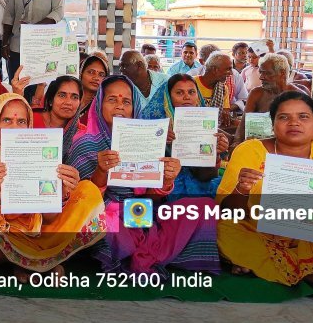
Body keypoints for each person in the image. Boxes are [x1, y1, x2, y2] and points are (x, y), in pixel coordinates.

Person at [67, 76, 219, 275]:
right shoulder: (84, 144)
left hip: (141, 211)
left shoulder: (146, 139)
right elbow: (79, 200)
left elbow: (149, 197)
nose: (120, 106)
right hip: (107, 212)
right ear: (99, 104)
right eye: (112, 100)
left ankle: (142, 253)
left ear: (134, 106)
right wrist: (101, 172)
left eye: (126, 101)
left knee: (203, 207)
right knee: (103, 225)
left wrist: (166, 181)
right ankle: (147, 252)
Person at [0, 93, 106, 282]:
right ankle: (36, 263)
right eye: (7, 120)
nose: (14, 128)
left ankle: (23, 262)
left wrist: (63, 191)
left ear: (29, 125)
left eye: (21, 122)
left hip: (39, 231)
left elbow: (49, 217)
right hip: (0, 232)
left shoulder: (41, 152)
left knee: (87, 190)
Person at [216, 91, 313, 301]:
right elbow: (228, 213)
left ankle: (270, 268)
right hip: (258, 233)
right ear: (273, 124)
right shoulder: (250, 151)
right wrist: (241, 190)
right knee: (225, 231)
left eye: (303, 117)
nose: (294, 123)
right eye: (284, 117)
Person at [2, 0, 64, 84]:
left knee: (38, 86)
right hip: (17, 45)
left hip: (42, 47)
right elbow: (9, 15)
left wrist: (34, 29)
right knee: (17, 84)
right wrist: (5, 43)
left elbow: (58, 12)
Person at [159, 73, 229, 199]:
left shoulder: (207, 124)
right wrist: (159, 141)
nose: (187, 97)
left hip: (203, 183)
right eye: (179, 93)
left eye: (192, 92)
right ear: (169, 97)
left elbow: (208, 175)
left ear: (198, 95)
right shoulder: (158, 126)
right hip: (168, 187)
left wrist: (216, 153)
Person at [233, 53, 303, 147]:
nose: (261, 77)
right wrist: (236, 143)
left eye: (267, 73)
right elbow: (244, 123)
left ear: (281, 73)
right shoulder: (256, 93)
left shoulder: (298, 95)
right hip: (256, 147)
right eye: (261, 72)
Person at [33, 75, 84, 162]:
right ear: (50, 101)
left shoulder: (82, 134)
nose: (68, 102)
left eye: (74, 97)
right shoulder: (30, 120)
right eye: (62, 95)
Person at [194, 52, 235, 129]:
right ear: (215, 70)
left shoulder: (223, 89)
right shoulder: (192, 84)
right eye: (228, 69)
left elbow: (225, 114)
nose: (231, 73)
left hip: (211, 128)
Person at [78, 52, 108, 123]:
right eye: (91, 72)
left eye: (101, 75)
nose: (96, 78)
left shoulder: (102, 107)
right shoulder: (68, 98)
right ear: (81, 73)